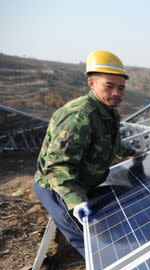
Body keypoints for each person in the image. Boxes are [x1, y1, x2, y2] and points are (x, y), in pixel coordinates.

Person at [34, 50, 141, 257]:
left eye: (121, 88)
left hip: (85, 183)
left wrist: (132, 152)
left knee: (126, 201)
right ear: (92, 84)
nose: (117, 93)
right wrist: (75, 201)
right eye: (109, 86)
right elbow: (58, 168)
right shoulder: (79, 116)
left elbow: (113, 144)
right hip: (59, 188)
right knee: (89, 242)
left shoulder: (109, 112)